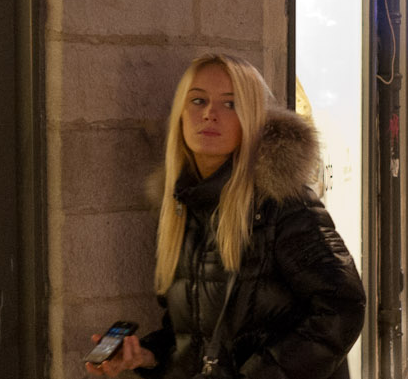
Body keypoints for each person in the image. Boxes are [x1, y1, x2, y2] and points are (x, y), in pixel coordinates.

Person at [84, 54, 364, 378]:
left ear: (253, 119)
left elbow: (343, 309)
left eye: (230, 105)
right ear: (180, 116)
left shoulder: (284, 204)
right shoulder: (180, 209)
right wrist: (147, 355)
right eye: (198, 100)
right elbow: (194, 335)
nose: (209, 114)